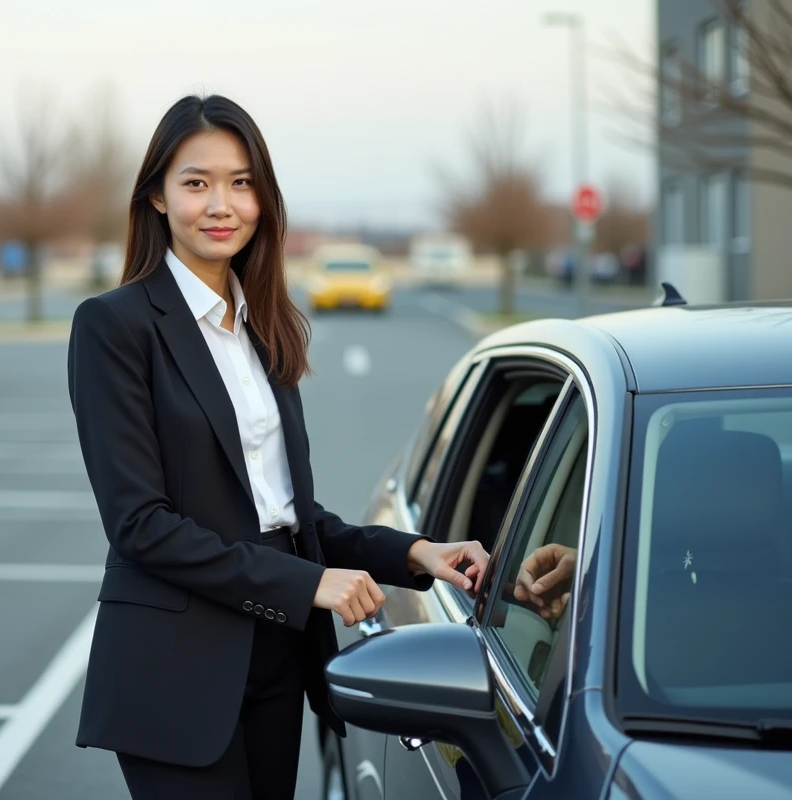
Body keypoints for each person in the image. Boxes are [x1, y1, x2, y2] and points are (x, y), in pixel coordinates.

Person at [66, 94, 491, 800]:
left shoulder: (263, 329)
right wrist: (307, 585)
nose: (220, 204)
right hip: (175, 671)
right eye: (195, 183)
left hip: (276, 657)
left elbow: (290, 518)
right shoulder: (115, 326)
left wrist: (415, 555)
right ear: (157, 197)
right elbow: (140, 526)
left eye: (241, 182)